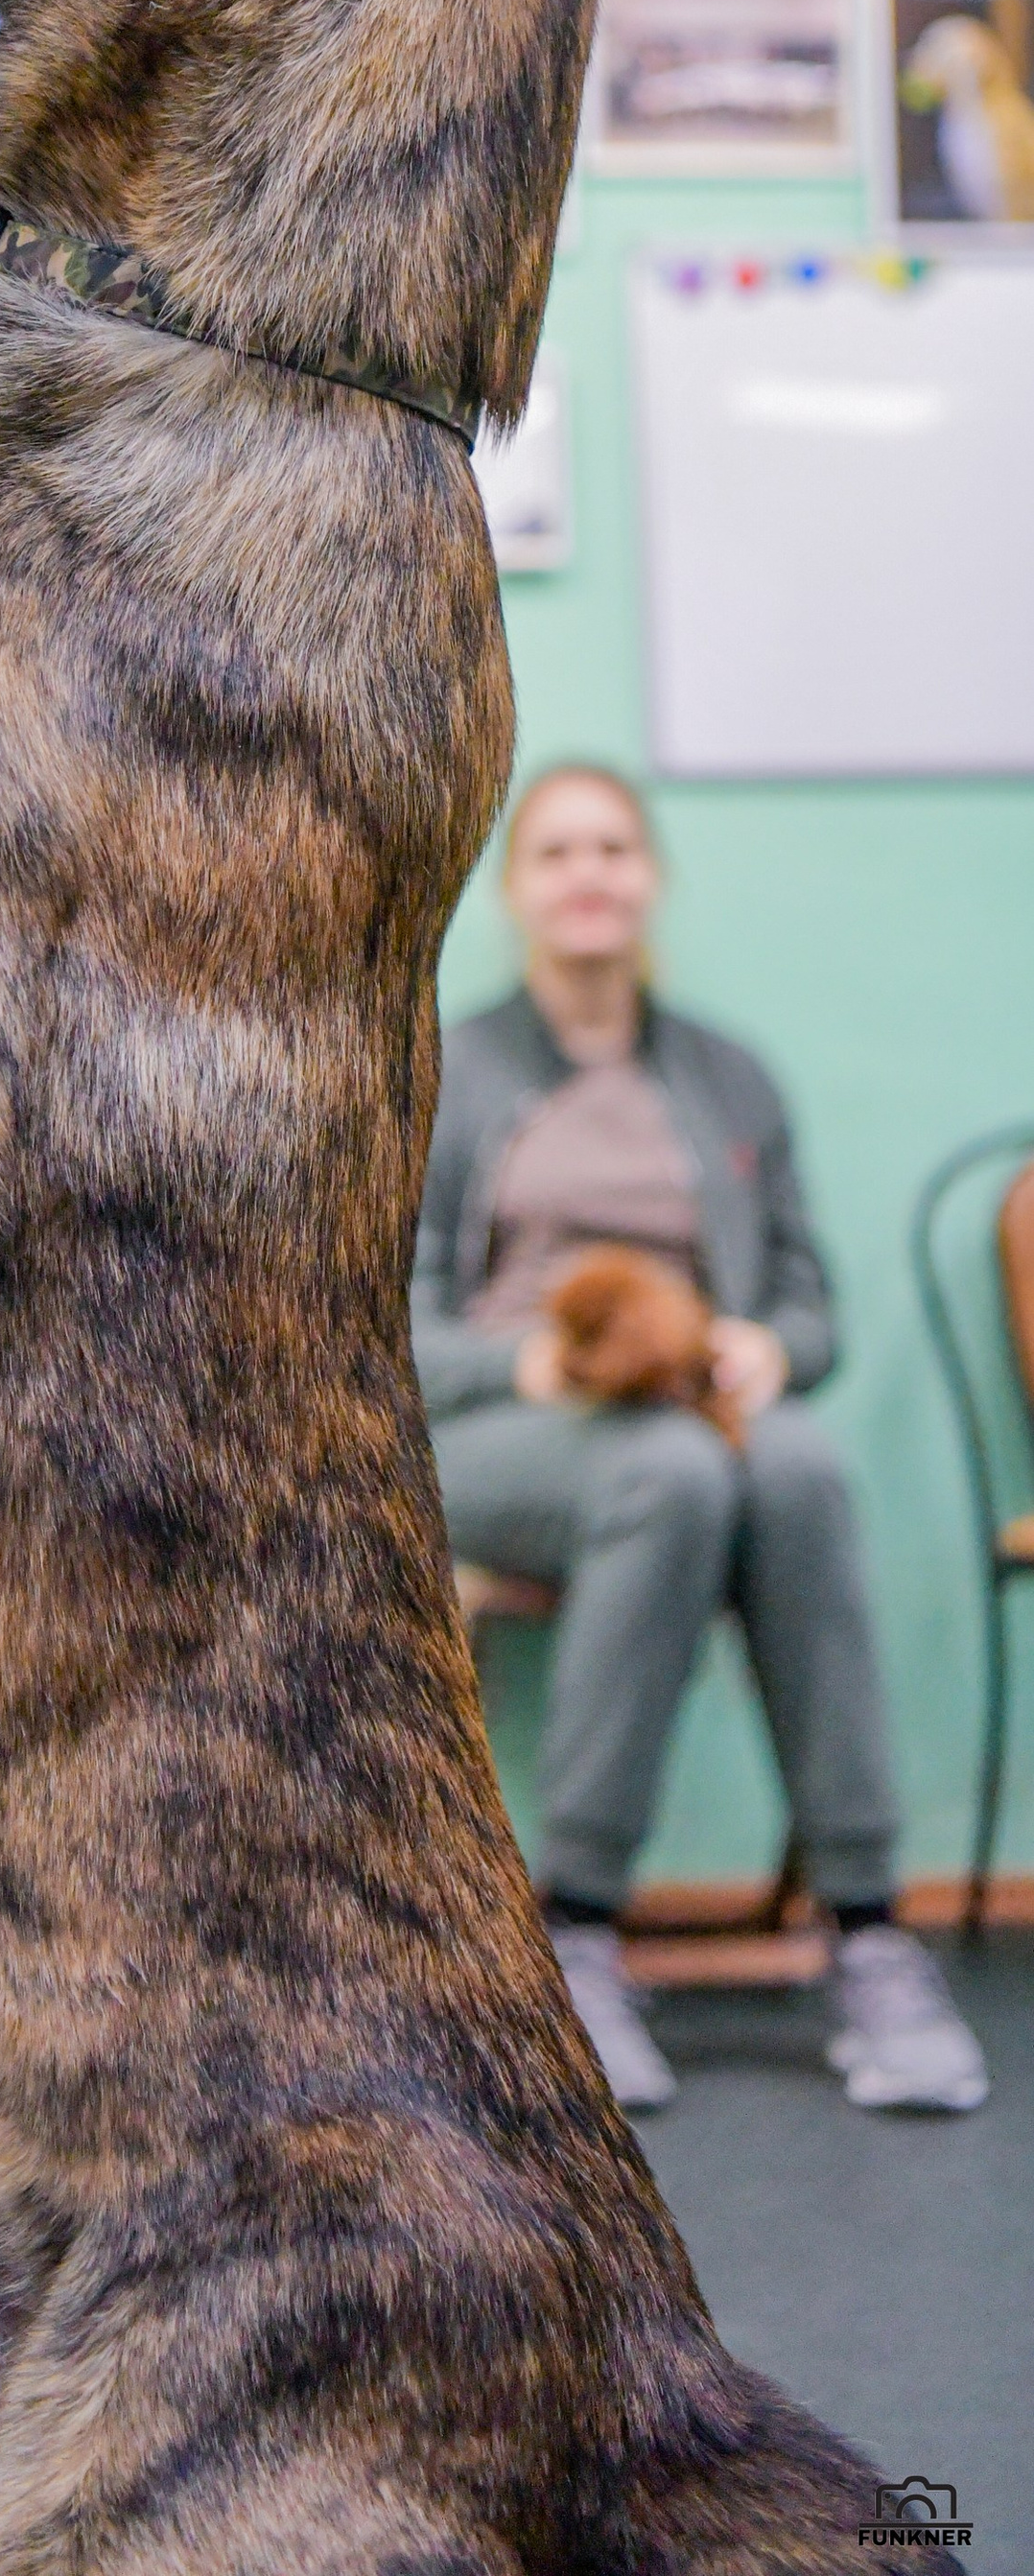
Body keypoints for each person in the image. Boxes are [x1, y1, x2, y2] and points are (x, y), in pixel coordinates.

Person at [413, 764, 986, 2118]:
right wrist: (530, 1361)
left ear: (651, 876)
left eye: (614, 845)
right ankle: (580, 1930)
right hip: (509, 1431)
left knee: (795, 1463)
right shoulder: (450, 1067)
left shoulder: (728, 1076)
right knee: (670, 1477)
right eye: (556, 852)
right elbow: (390, 1330)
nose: (589, 872)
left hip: (694, 1410)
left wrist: (767, 1350)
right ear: (514, 892)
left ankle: (870, 1932)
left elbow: (808, 1306)